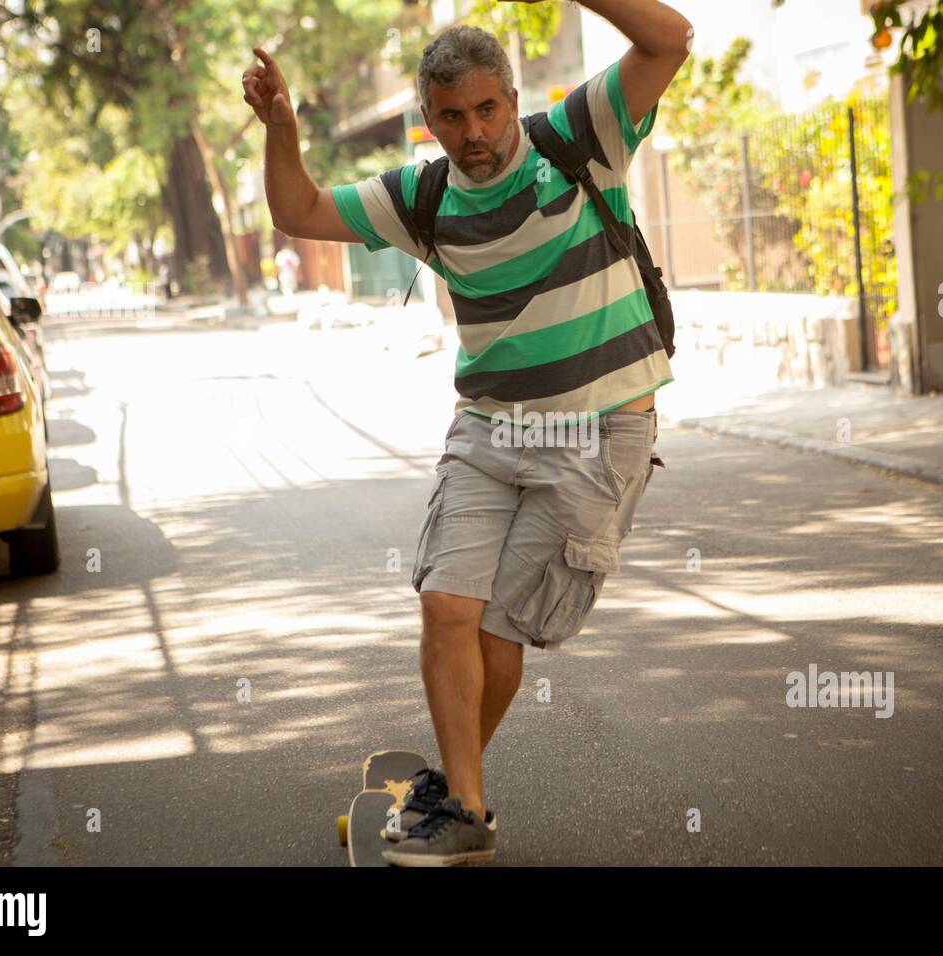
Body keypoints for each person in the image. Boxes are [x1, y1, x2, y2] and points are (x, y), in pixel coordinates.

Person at [243, 0, 690, 866]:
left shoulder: (580, 134)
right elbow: (296, 209)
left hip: (598, 430)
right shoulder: (423, 193)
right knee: (446, 604)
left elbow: (669, 37)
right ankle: (463, 816)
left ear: (510, 98)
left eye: (487, 109)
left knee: (496, 635)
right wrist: (283, 124)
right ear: (428, 118)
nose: (473, 131)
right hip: (487, 429)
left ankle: (448, 802)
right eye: (450, 115)